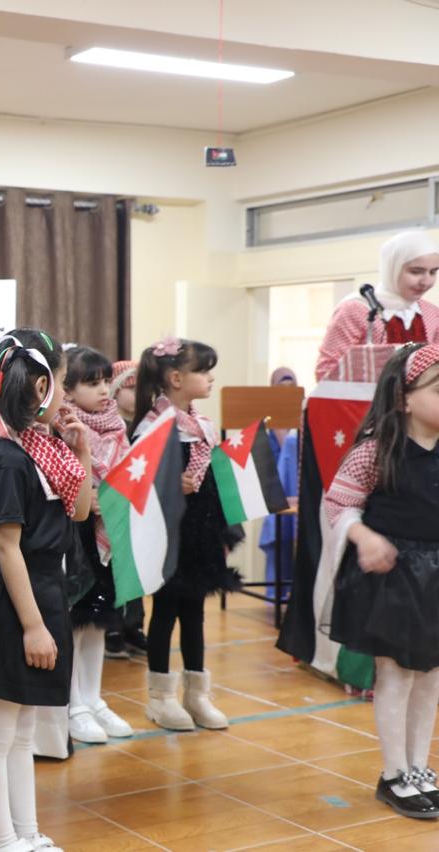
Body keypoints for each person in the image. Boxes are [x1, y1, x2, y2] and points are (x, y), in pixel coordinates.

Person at [0, 331, 88, 852]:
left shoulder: (46, 448)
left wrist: (82, 452)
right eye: (62, 382)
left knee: (23, 729)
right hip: (15, 603)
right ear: (40, 386)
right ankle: (3, 839)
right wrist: (33, 626)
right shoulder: (9, 457)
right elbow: (6, 546)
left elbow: (81, 511)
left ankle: (27, 833)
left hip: (45, 591)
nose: (67, 394)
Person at [325, 343, 439, 819]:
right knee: (396, 673)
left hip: (435, 578)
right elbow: (339, 505)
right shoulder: (376, 451)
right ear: (403, 398)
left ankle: (419, 767)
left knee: (431, 674)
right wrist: (365, 537)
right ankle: (394, 774)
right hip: (396, 578)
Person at [131, 337, 239, 732]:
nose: (210, 378)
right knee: (164, 612)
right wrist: (170, 484)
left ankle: (197, 695)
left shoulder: (203, 426)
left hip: (200, 531)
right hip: (168, 533)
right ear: (176, 378)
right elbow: (136, 484)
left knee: (195, 611)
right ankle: (160, 697)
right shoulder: (152, 428)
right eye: (203, 370)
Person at [58, 346, 134, 745]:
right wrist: (87, 496)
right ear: (68, 389)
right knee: (74, 621)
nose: (105, 390)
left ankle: (93, 698)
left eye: (106, 381)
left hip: (107, 532)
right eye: (92, 383)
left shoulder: (117, 426)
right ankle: (73, 706)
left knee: (98, 620)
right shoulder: (62, 426)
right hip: (75, 534)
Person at [316, 231, 439, 381]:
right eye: (415, 272)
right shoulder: (357, 309)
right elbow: (327, 371)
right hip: (368, 396)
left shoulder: (431, 313)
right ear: (392, 268)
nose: (426, 282)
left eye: (433, 272)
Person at [104, 357, 146, 660]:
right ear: (116, 391)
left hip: (138, 509)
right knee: (113, 569)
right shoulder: (108, 428)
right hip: (112, 511)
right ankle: (112, 628)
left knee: (136, 568)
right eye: (132, 389)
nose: (138, 395)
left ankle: (134, 626)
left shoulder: (144, 427)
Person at [258, 367, 299, 600]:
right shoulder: (270, 420)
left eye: (291, 387)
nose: (287, 392)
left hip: (297, 487)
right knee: (281, 533)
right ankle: (277, 591)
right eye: (281, 387)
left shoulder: (302, 416)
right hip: (277, 488)